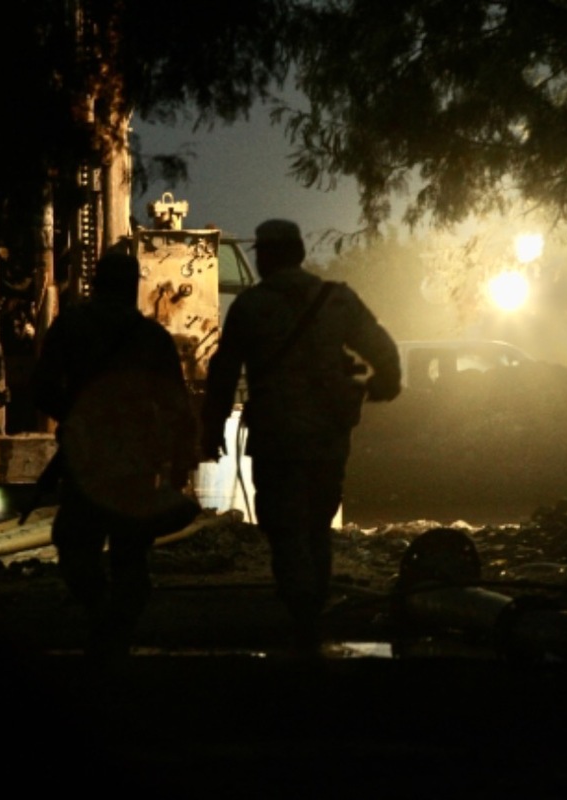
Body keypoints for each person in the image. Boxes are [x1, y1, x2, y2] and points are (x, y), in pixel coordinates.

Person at [200, 219, 401, 653]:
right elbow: (384, 351)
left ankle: (301, 612)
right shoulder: (337, 301)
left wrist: (211, 429)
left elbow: (223, 373)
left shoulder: (250, 308)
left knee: (285, 529)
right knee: (316, 527)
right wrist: (383, 387)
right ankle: (313, 609)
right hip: (328, 439)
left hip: (276, 439)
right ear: (301, 253)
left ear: (265, 256)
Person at [33, 252, 197, 664]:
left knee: (74, 545)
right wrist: (180, 465)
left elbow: (41, 387)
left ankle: (101, 617)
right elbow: (177, 406)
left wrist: (75, 415)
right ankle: (117, 630)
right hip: (136, 465)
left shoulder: (70, 327)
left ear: (96, 284)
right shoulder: (151, 337)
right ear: (133, 288)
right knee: (130, 553)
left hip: (86, 459)